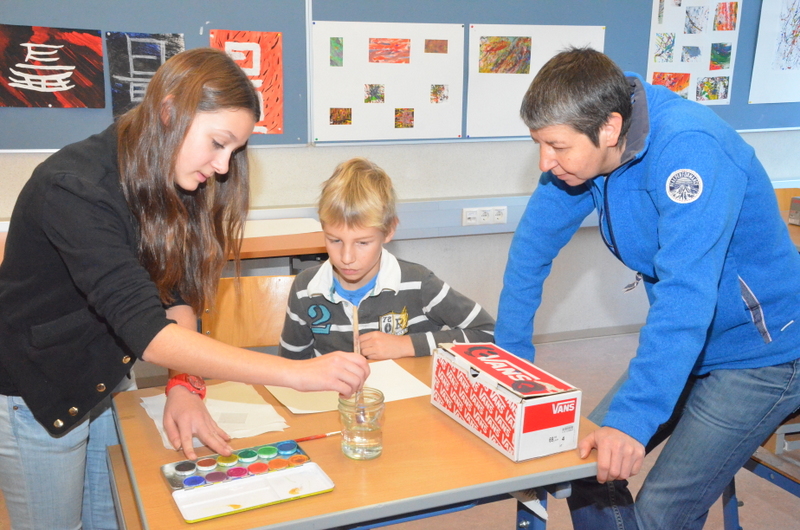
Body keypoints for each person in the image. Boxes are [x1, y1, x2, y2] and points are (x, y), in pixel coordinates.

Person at [0, 48, 369, 530]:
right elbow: (150, 333)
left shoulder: (167, 175)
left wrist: (183, 383)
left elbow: (174, 293)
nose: (223, 166)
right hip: (35, 394)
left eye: (234, 151)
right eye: (218, 143)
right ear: (169, 111)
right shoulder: (74, 187)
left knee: (113, 517)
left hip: (103, 378)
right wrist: (297, 374)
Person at [495, 47, 800, 529]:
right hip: (689, 342)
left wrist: (630, 421)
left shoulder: (690, 150)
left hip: (763, 352)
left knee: (660, 511)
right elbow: (530, 251)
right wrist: (511, 363)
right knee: (585, 467)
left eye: (556, 146)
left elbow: (685, 296)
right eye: (539, 143)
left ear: (610, 129)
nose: (544, 161)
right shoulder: (585, 143)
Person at [279, 157, 495, 360]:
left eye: (363, 243)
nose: (346, 257)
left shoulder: (419, 284)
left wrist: (407, 345)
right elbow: (290, 367)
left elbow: (487, 333)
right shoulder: (305, 289)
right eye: (335, 240)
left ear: (389, 230)